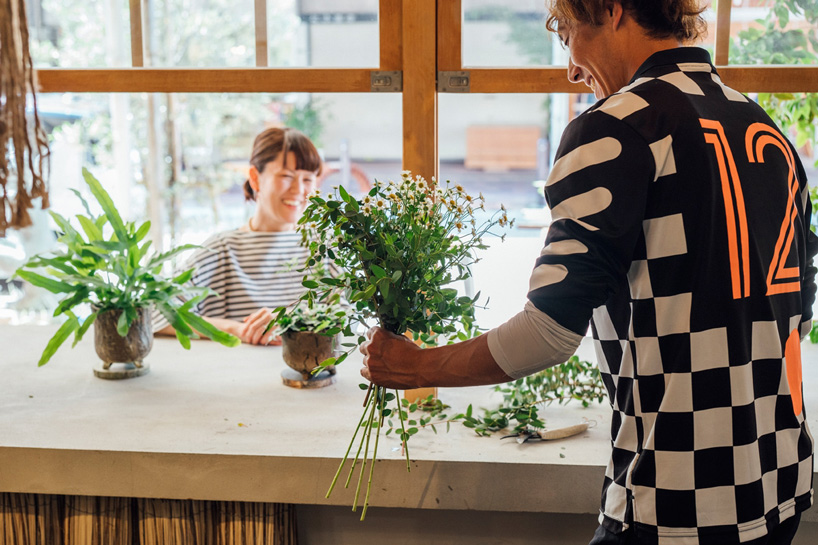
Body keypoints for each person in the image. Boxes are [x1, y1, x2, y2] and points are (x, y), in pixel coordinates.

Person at [359, 1, 817, 544]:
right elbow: (795, 325)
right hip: (779, 489)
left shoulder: (615, 128)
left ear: (611, 10)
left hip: (673, 504)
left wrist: (415, 368)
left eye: (568, 33)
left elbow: (547, 332)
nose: (571, 67)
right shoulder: (765, 131)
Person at [153, 127, 321, 345]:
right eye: (286, 176)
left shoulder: (321, 248)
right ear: (255, 178)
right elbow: (156, 309)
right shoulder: (223, 249)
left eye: (308, 179)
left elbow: (346, 319)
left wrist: (293, 322)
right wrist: (238, 329)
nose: (299, 189)